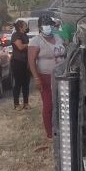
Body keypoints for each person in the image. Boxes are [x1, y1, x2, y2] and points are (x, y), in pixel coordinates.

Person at [28, 11, 66, 141]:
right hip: (45, 76)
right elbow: (31, 61)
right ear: (40, 27)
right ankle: (50, 133)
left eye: (49, 24)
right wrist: (36, 78)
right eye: (45, 25)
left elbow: (65, 50)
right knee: (49, 104)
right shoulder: (35, 41)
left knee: (62, 103)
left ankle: (61, 128)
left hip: (61, 76)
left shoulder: (58, 37)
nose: (48, 27)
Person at [9, 19, 32, 110]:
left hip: (26, 62)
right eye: (25, 25)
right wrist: (29, 45)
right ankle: (16, 104)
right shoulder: (16, 35)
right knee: (18, 83)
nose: (27, 27)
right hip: (17, 62)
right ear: (20, 27)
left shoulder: (24, 35)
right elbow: (20, 47)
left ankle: (26, 103)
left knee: (26, 83)